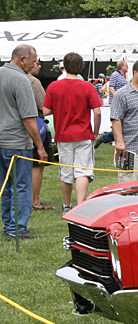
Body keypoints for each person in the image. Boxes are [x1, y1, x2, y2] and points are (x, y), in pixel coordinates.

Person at [42, 52, 102, 210]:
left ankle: (67, 204)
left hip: (63, 135)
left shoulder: (54, 86)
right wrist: (95, 132)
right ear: (81, 67)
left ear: (64, 67)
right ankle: (80, 205)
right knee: (82, 171)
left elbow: (46, 110)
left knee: (66, 171)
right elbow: (97, 112)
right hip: (83, 134)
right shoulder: (87, 86)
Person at [1, 44, 48, 240]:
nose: (34, 64)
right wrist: (40, 146)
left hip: (2, 142)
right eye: (32, 61)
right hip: (17, 143)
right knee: (21, 185)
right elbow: (29, 118)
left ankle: (8, 225)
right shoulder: (21, 80)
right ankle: (17, 228)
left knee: (4, 186)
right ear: (21, 59)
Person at [26, 57, 55, 211]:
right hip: (35, 126)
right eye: (37, 63)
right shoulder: (33, 82)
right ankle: (35, 201)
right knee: (38, 164)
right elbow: (44, 106)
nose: (39, 66)